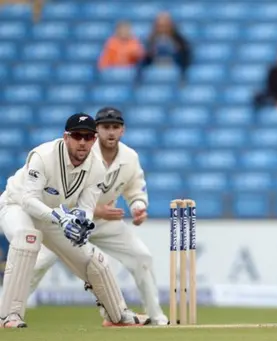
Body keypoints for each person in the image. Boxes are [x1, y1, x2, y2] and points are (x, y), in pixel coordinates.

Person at [0, 113, 148, 328]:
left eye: (88, 137)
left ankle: (117, 315)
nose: (82, 142)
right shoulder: (43, 156)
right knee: (27, 239)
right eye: (77, 136)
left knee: (93, 260)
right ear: (66, 137)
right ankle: (9, 316)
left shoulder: (97, 167)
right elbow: (28, 200)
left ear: (94, 140)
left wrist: (81, 224)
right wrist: (60, 217)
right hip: (17, 206)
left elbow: (86, 208)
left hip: (56, 217)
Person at [27, 107, 169, 326]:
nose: (110, 132)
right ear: (97, 131)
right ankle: (8, 312)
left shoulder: (130, 157)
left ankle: (156, 317)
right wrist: (96, 210)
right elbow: (62, 195)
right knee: (37, 264)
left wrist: (138, 207)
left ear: (123, 130)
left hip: (106, 224)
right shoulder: (82, 152)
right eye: (105, 127)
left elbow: (135, 189)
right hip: (68, 223)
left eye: (115, 127)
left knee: (142, 257)